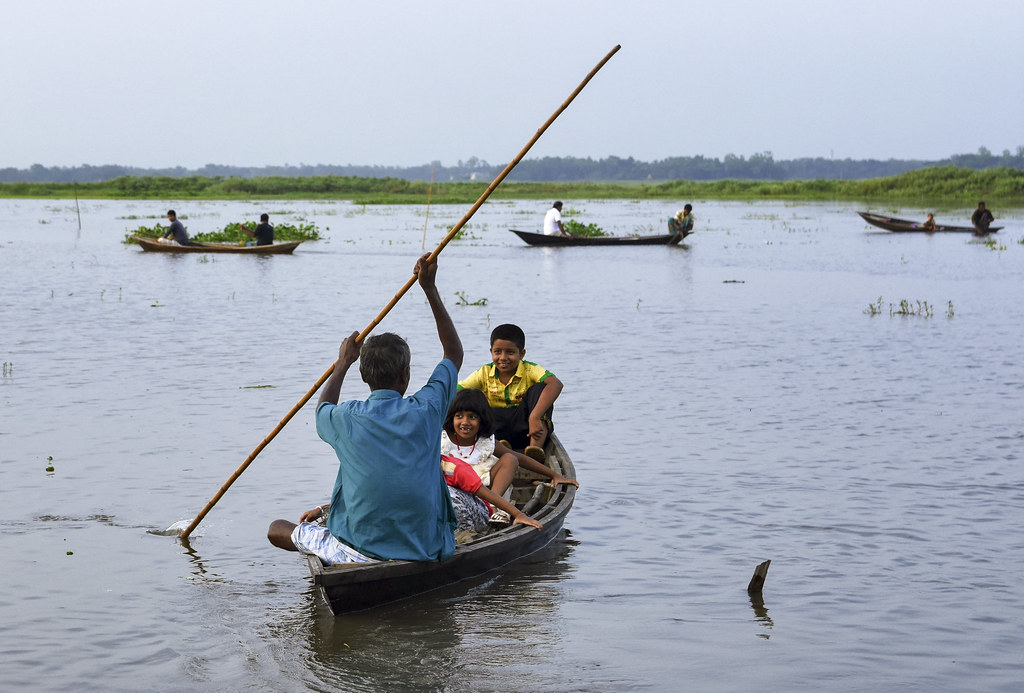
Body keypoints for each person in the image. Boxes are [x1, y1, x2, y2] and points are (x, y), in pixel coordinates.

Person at [267, 252, 463, 565]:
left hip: (355, 551)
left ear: (362, 375)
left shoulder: (344, 416)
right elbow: (453, 353)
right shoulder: (427, 408)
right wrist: (429, 289)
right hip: (424, 547)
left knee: (276, 528)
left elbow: (322, 409)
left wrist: (342, 363)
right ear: (406, 375)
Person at [441, 388, 577, 528]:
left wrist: (554, 475)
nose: (465, 422)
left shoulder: (485, 442)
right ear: (452, 418)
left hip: (486, 492)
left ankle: (492, 507)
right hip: (452, 491)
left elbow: (520, 458)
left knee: (510, 459)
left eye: (472, 417)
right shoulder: (442, 440)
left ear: (482, 420)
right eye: (459, 416)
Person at [458, 323, 563, 456]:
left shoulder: (530, 369)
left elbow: (556, 384)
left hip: (527, 429)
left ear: (522, 354)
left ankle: (534, 450)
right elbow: (456, 391)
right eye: (498, 352)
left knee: (541, 389)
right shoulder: (484, 372)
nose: (503, 358)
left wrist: (535, 417)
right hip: (496, 429)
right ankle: (500, 446)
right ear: (491, 352)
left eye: (510, 352)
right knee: (470, 395)